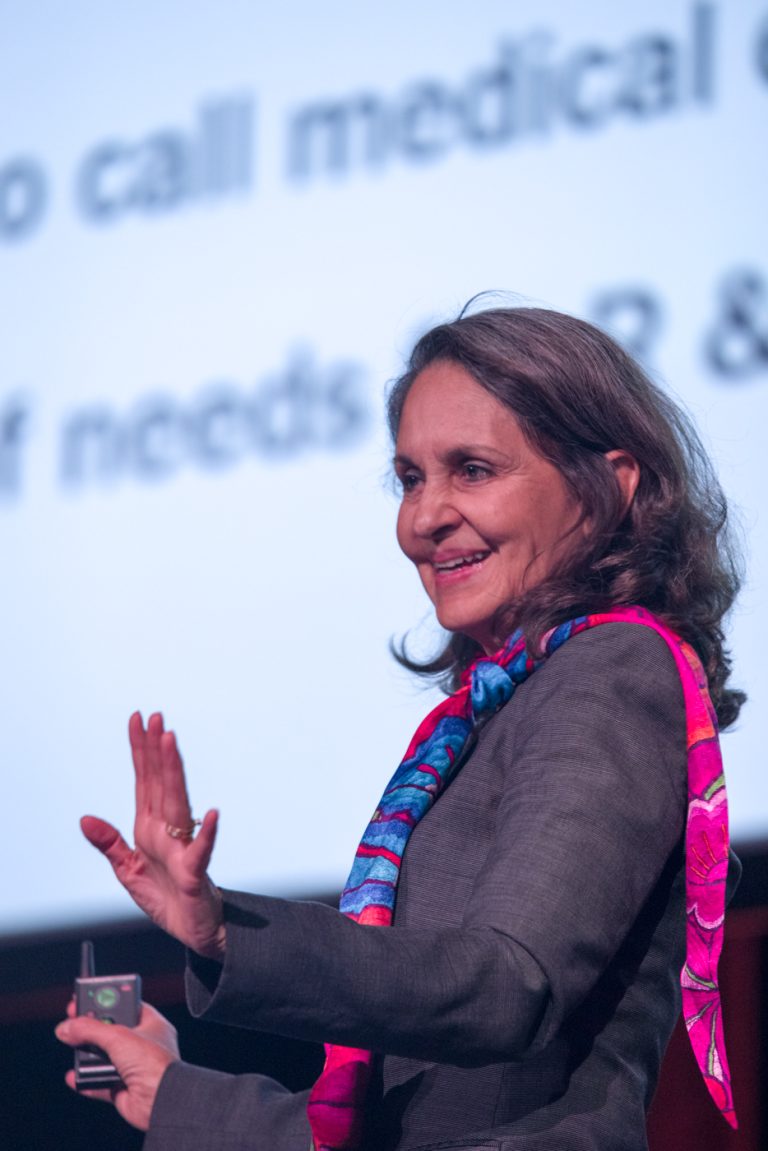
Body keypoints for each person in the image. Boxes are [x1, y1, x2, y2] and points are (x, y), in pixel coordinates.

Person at [56, 305, 744, 1151]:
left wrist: (229, 931)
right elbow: (413, 1122)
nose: (424, 518)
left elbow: (507, 987)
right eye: (411, 478)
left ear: (610, 486)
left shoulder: (612, 669)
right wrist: (174, 1093)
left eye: (473, 470)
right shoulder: (497, 711)